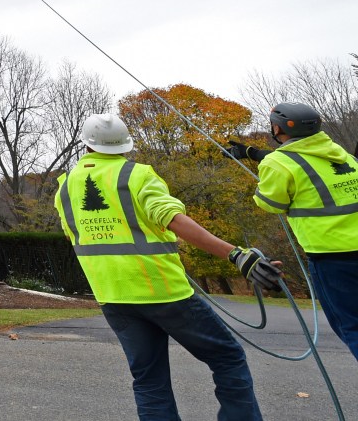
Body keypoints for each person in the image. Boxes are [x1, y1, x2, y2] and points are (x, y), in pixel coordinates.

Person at [56, 114, 280, 421]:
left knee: (149, 381)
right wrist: (236, 255)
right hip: (164, 292)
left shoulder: (65, 189)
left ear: (86, 145)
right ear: (125, 145)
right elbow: (173, 219)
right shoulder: (137, 175)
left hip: (114, 297)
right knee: (228, 357)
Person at [245, 102, 358, 363]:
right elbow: (306, 160)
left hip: (333, 256)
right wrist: (255, 154)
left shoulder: (277, 162)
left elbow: (270, 203)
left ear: (277, 128)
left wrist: (265, 170)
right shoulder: (340, 153)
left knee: (351, 326)